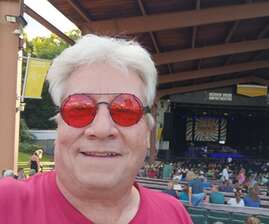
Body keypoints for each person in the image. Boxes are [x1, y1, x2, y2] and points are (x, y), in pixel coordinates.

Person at [0, 34, 192, 224]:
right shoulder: (6, 204)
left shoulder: (174, 214)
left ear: (147, 128)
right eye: (78, 108)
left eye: (126, 109)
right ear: (59, 125)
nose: (101, 129)